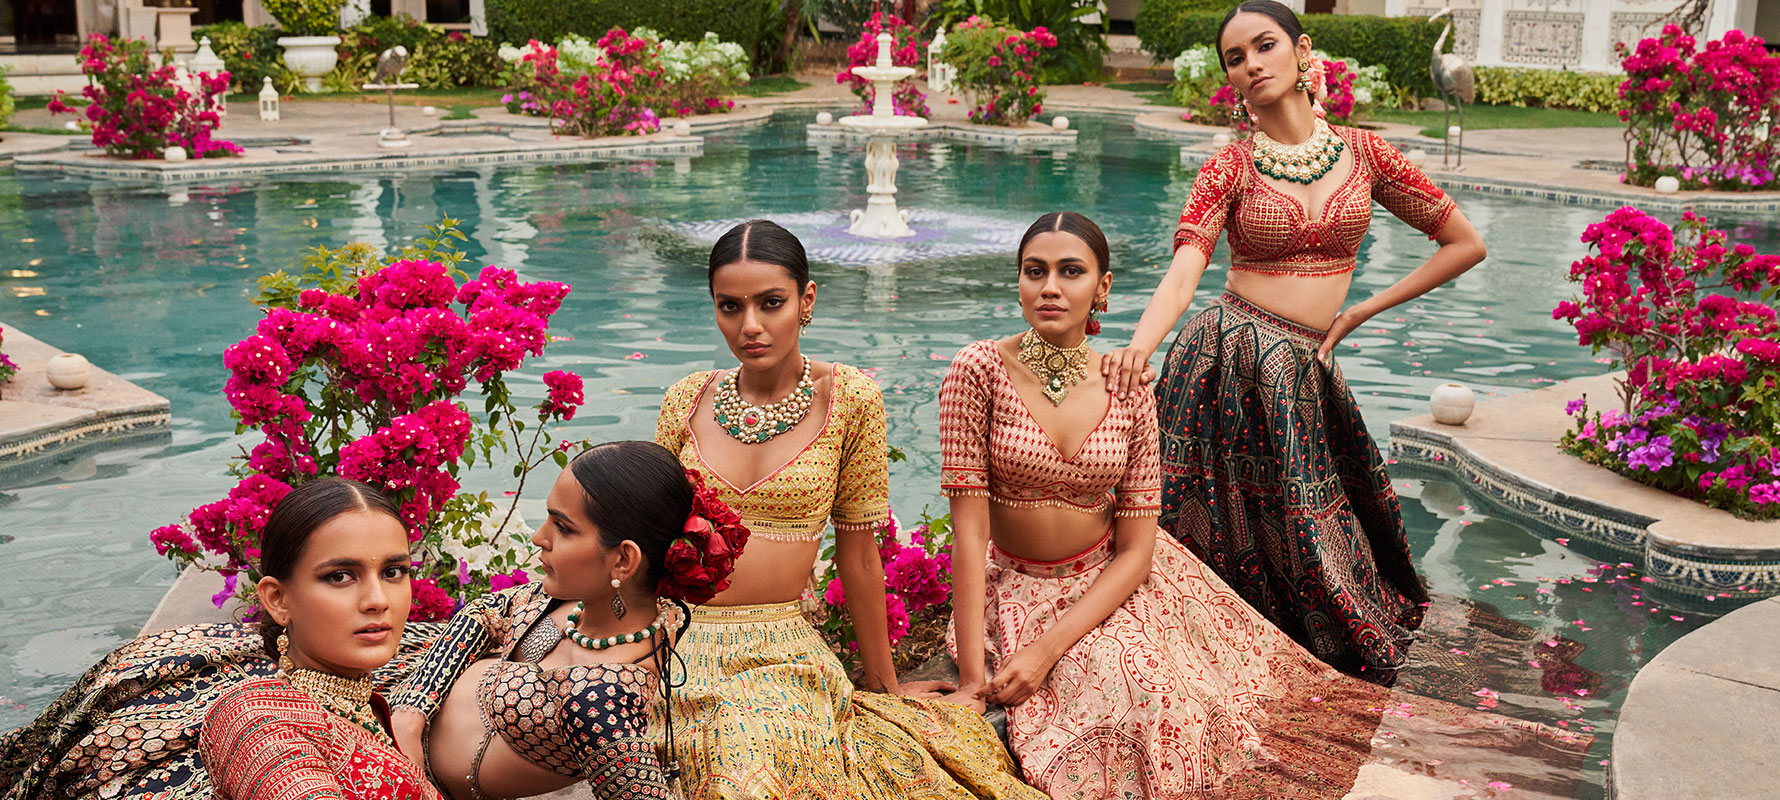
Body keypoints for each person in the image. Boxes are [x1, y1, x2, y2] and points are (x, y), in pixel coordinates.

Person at [942, 213, 1590, 800]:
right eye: (1035, 271)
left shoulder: (1129, 388)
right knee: (1105, 715)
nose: (1050, 286)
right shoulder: (977, 371)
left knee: (1168, 703)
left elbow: (1136, 551)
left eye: (1070, 271)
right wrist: (974, 678)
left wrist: (1048, 650)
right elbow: (969, 537)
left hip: (1114, 583)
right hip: (1017, 588)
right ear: (1019, 283)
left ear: (1102, 290)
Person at [1100, 0, 1489, 673]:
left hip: (1304, 367)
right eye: (1235, 57)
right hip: (1225, 359)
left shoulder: (1367, 154)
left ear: (1302, 51)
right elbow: (1185, 270)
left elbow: (1464, 244)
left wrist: (1359, 313)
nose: (1251, 63)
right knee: (1206, 538)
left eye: (1265, 45)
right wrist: (1142, 343)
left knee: (1317, 542)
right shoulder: (1230, 167)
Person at [654, 219, 1043, 800]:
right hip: (677, 643)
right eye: (729, 307)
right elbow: (639, 536)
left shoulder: (851, 399)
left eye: (771, 303)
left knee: (759, 759)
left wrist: (884, 687)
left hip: (781, 650)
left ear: (807, 300)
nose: (750, 326)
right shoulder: (686, 399)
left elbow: (859, 557)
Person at [386, 441, 744, 800]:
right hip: (402, 698)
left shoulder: (601, 697)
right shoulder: (582, 599)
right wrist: (412, 708)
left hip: (397, 775)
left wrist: (414, 779)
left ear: (623, 560)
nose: (538, 537)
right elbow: (487, 610)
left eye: (563, 527)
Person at [198, 478, 439, 800]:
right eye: (339, 576)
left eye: (393, 571)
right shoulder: (258, 721)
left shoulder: (367, 706)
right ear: (278, 600)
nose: (378, 600)